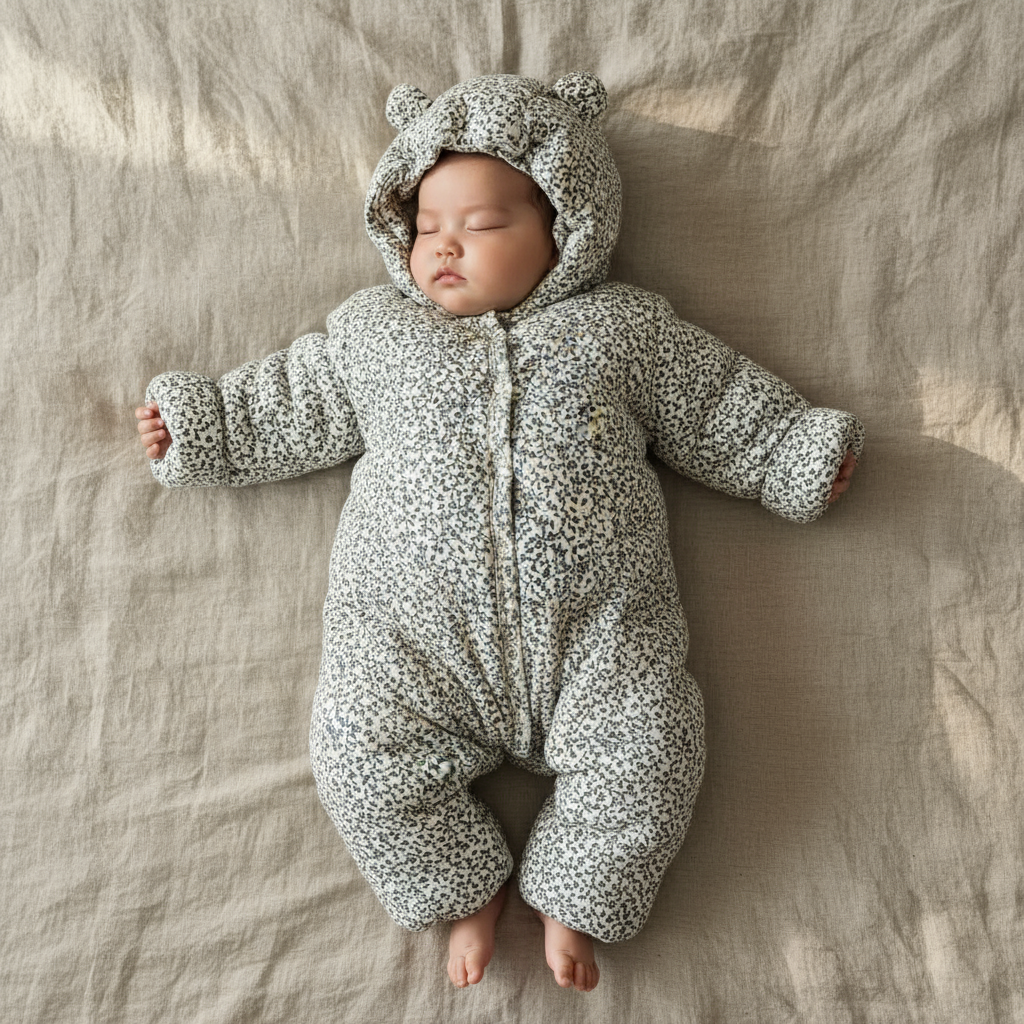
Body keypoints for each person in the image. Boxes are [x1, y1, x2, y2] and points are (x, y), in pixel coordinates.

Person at [135, 72, 861, 993]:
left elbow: (715, 403)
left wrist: (792, 450)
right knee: (355, 758)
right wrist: (206, 427)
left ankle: (576, 894)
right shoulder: (375, 337)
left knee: (658, 747)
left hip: (599, 644)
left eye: (480, 227)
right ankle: (458, 889)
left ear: (567, 226)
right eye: (427, 227)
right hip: (412, 650)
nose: (445, 245)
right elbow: (290, 400)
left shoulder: (622, 331)